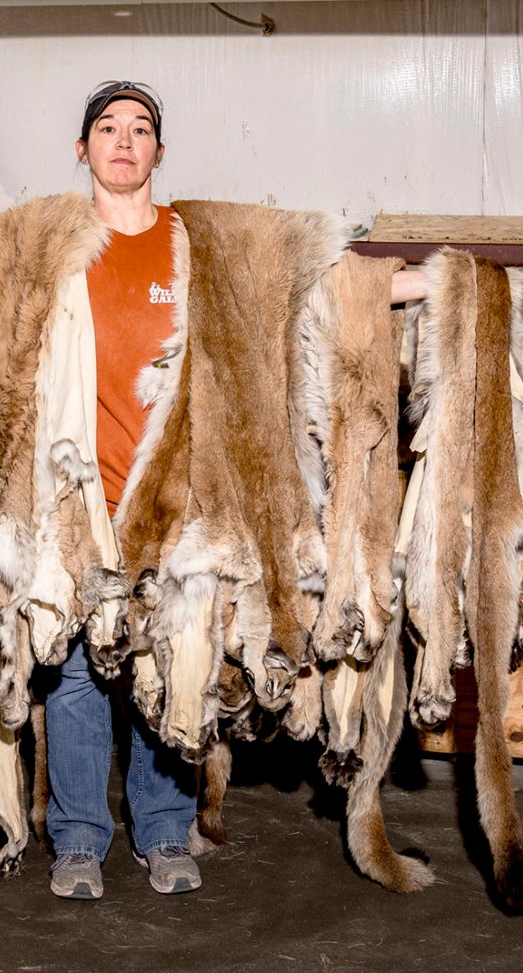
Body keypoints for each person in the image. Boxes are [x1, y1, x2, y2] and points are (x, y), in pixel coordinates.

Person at [45, 81, 428, 902]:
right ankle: (77, 839)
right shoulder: (48, 248)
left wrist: (433, 288)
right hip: (80, 498)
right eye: (107, 128)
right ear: (83, 149)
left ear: (158, 151)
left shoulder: (203, 243)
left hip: (183, 499)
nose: (124, 141)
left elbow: (309, 282)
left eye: (140, 129)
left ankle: (161, 829)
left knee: (176, 659)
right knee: (77, 678)